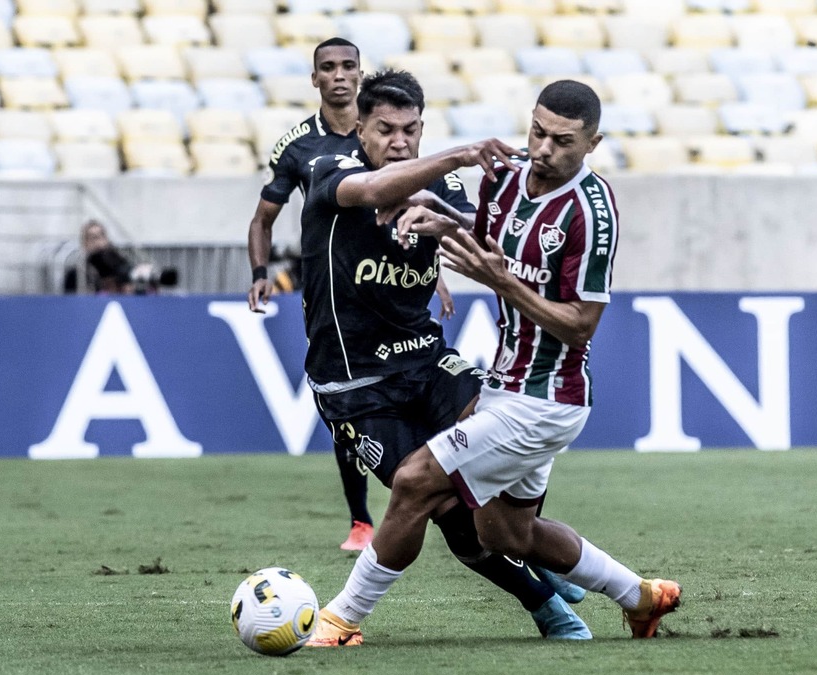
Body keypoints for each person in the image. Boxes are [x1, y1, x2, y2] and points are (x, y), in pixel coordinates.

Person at [308, 80, 681, 647]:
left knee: (414, 484)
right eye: (537, 132)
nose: (544, 149)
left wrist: (501, 281)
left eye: (562, 140)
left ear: (592, 143)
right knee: (505, 531)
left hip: (547, 399)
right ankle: (641, 597)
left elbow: (580, 323)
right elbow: (488, 241)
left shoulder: (592, 213)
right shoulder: (505, 179)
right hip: (503, 385)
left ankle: (342, 618)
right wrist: (442, 224)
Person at [249, 68, 591, 641]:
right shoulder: (331, 170)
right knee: (446, 509)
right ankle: (545, 601)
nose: (398, 141)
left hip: (428, 364)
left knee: (501, 435)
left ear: (420, 127)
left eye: (410, 130)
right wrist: (459, 156)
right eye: (384, 129)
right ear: (359, 129)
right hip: (355, 385)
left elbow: (489, 249)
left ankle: (529, 546)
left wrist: (449, 230)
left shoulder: (444, 192)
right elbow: (374, 192)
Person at [247, 37, 375, 551]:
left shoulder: (383, 133)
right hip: (331, 292)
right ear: (315, 78)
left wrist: (438, 274)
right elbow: (262, 220)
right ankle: (362, 520)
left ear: (361, 73)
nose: (340, 75)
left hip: (390, 284)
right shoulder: (297, 146)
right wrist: (260, 271)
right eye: (329, 67)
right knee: (344, 402)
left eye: (348, 66)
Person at [63, 220, 134, 294]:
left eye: (101, 236)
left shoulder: (120, 265)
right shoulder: (76, 275)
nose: (98, 242)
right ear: (84, 243)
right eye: (93, 238)